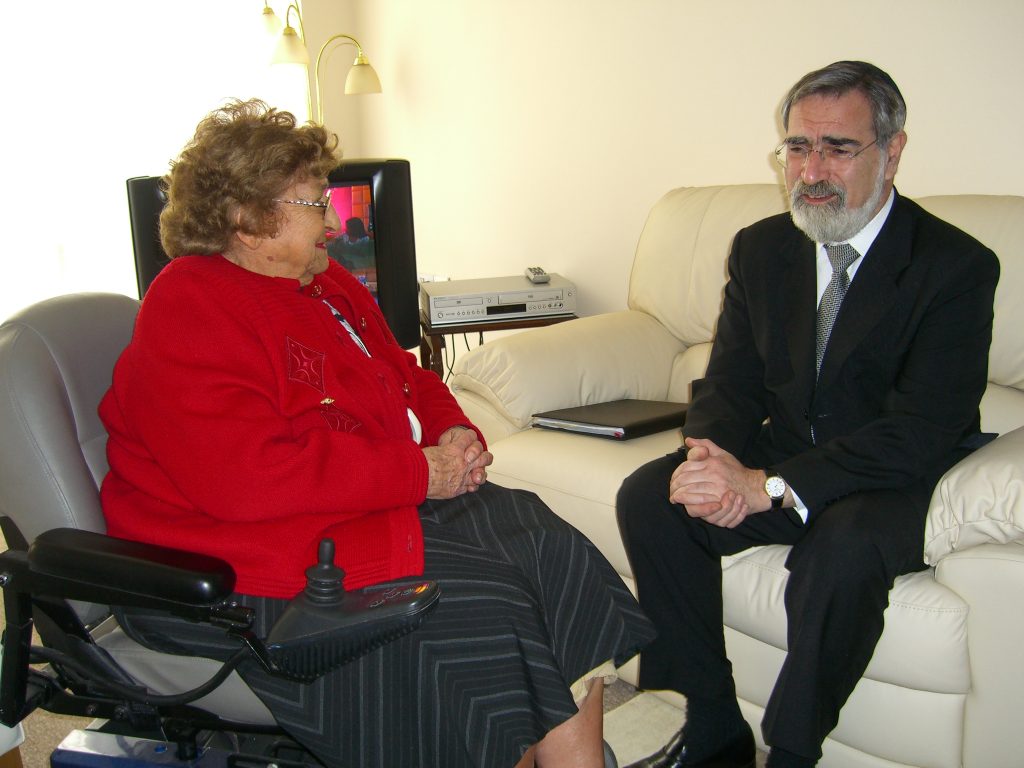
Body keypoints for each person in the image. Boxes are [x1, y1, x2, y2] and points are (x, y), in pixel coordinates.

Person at [99, 99, 654, 768]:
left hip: (363, 505)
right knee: (481, 614)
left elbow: (405, 372)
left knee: (546, 541)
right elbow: (248, 479)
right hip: (248, 553)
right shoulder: (191, 302)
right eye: (311, 204)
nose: (331, 220)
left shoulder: (324, 281)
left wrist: (453, 432)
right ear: (246, 221)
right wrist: (419, 472)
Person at [616, 60, 999, 768]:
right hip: (781, 457)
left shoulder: (955, 265)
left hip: (893, 477)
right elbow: (730, 381)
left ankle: (791, 751)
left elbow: (922, 428)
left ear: (892, 151)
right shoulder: (763, 248)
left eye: (837, 148)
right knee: (651, 496)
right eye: (797, 147)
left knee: (841, 552)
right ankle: (708, 729)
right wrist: (710, 462)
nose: (811, 170)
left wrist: (767, 485)